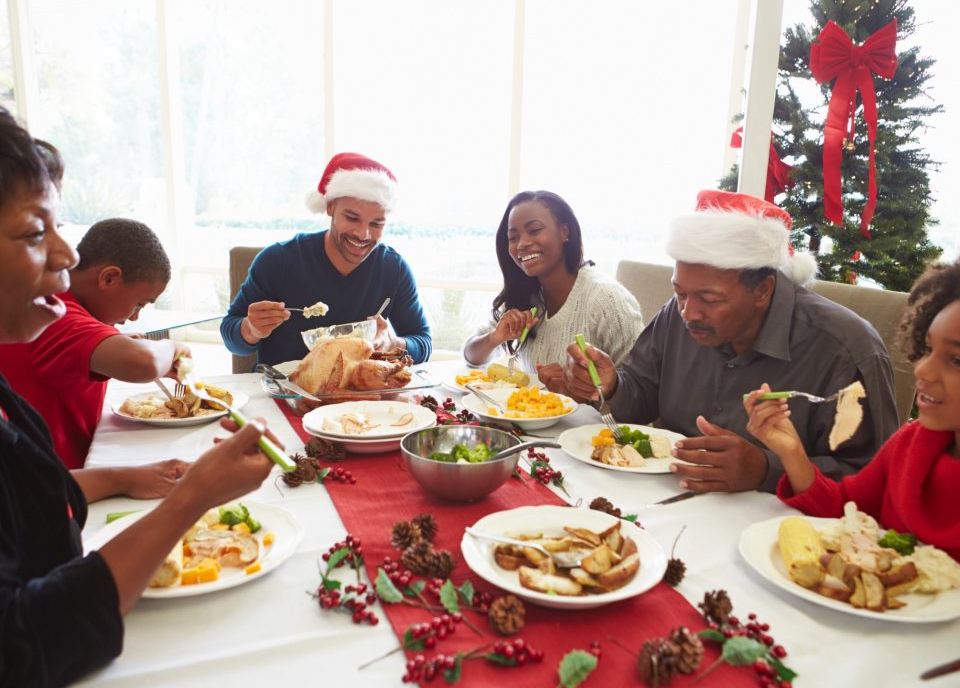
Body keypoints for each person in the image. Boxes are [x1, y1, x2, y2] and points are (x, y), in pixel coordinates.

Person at [0, 107, 277, 688]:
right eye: (31, 233)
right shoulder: (60, 327)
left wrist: (126, 477)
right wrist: (193, 498)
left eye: (58, 229)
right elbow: (20, 652)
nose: (67, 257)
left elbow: (30, 503)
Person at [563, 190, 900, 493]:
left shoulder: (843, 349)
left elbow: (871, 480)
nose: (689, 313)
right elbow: (641, 396)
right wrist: (610, 386)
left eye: (710, 299)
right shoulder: (678, 313)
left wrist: (766, 470)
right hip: (663, 495)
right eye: (679, 293)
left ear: (763, 290)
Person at [744, 258, 960, 560]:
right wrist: (792, 452)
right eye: (927, 349)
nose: (923, 370)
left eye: (956, 360)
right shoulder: (911, 444)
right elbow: (843, 508)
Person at [0, 218, 191, 483]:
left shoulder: (53, 305)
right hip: (53, 484)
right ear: (109, 278)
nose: (134, 317)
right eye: (139, 304)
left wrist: (115, 340)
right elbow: (144, 363)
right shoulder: (56, 317)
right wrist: (172, 347)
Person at [220, 152, 431, 366]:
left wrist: (393, 342)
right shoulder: (278, 260)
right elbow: (231, 337)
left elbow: (423, 342)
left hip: (360, 391)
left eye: (376, 224)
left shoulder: (393, 268)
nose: (363, 234)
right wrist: (250, 329)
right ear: (331, 206)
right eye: (352, 218)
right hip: (285, 391)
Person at [463, 190, 643, 392]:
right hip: (534, 419)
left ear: (564, 231)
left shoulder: (606, 299)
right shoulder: (527, 296)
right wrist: (494, 338)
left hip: (596, 423)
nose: (521, 244)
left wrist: (579, 389)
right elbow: (472, 357)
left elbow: (640, 392)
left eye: (535, 230)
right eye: (513, 237)